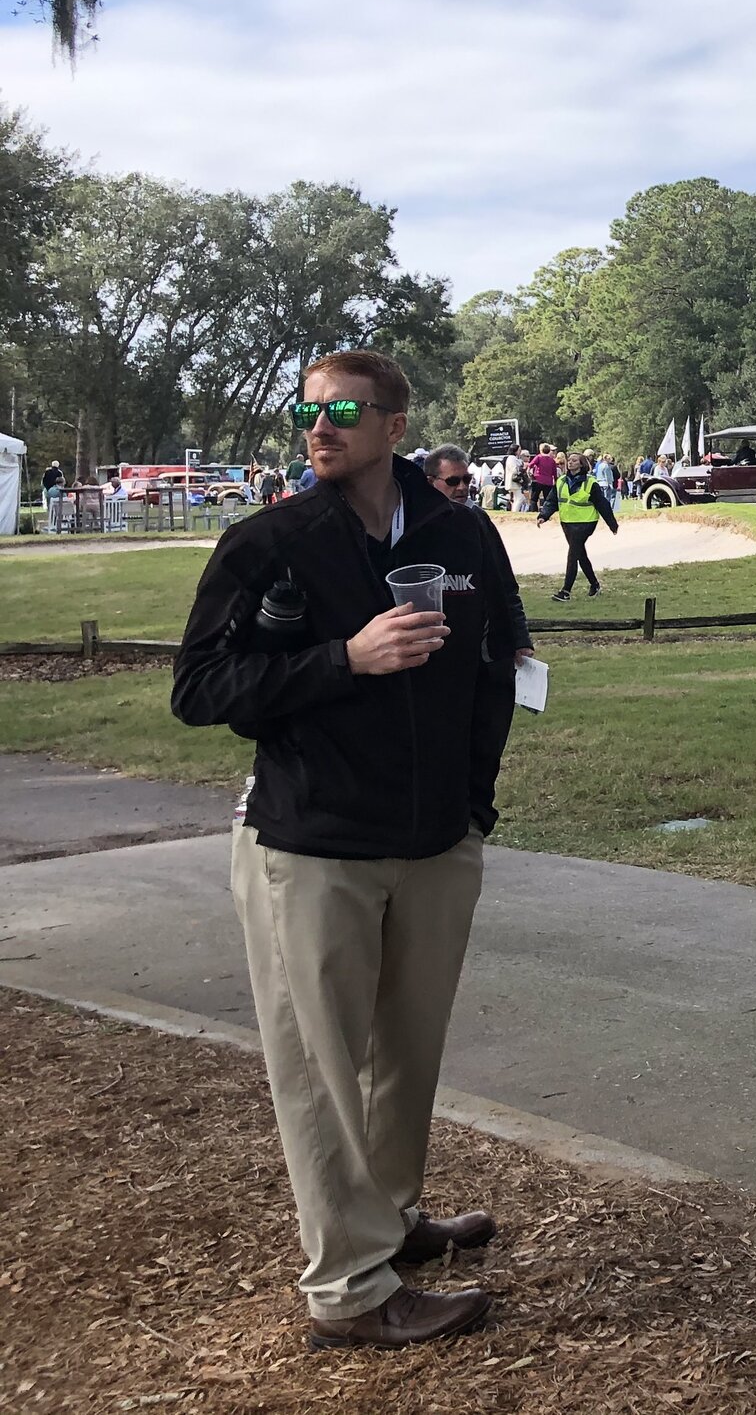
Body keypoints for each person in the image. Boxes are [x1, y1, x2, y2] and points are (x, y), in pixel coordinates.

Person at [169, 348, 532, 1351]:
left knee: (405, 1058)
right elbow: (199, 691)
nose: (317, 426)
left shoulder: (462, 533)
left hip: (435, 843)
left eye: (341, 410)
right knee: (324, 1071)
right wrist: (343, 659)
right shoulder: (271, 542)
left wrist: (473, 804)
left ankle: (392, 1221)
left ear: (395, 426)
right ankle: (349, 1290)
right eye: (307, 410)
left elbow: (502, 660)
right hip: (311, 845)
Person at [549, 452, 618, 602]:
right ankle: (595, 584)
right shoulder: (561, 481)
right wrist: (543, 515)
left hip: (586, 523)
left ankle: (565, 591)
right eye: (569, 460)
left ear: (581, 464)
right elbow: (552, 500)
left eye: (574, 460)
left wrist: (612, 524)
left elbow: (602, 504)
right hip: (567, 523)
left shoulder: (590, 483)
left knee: (573, 554)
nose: (570, 462)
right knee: (580, 554)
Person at [527, 444, 559, 518]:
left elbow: (530, 465)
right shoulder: (552, 460)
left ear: (541, 450)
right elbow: (554, 473)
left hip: (538, 480)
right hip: (548, 482)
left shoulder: (539, 457)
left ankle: (533, 511)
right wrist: (556, 481)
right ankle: (545, 513)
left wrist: (529, 473)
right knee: (547, 499)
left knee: (534, 498)